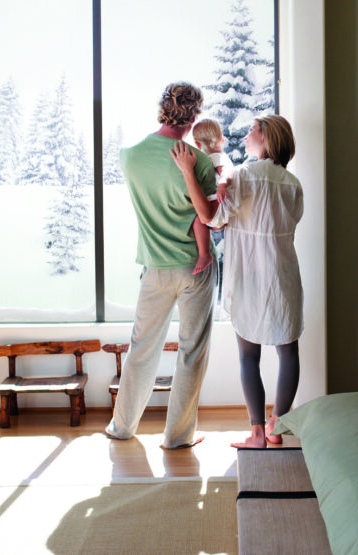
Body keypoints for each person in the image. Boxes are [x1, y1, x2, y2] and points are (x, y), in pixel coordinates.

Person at [170, 115, 303, 448]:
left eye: (252, 130)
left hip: (249, 278)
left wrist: (189, 173)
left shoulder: (244, 176)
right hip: (284, 277)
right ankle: (276, 427)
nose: (246, 135)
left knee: (249, 357)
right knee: (289, 354)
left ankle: (257, 433)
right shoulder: (292, 184)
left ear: (268, 137)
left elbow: (212, 218)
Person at [104, 81, 219, 450]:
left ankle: (122, 427)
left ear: (162, 108)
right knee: (192, 350)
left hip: (154, 267)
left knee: (142, 347)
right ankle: (178, 436)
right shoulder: (196, 161)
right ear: (194, 115)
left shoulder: (129, 156)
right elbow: (204, 217)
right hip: (194, 268)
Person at [186, 119, 235, 275]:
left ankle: (204, 254)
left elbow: (226, 172)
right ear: (222, 140)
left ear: (198, 145)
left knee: (196, 217)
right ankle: (205, 254)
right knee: (199, 218)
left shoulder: (216, 157)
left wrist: (222, 185)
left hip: (217, 204)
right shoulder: (218, 156)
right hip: (220, 207)